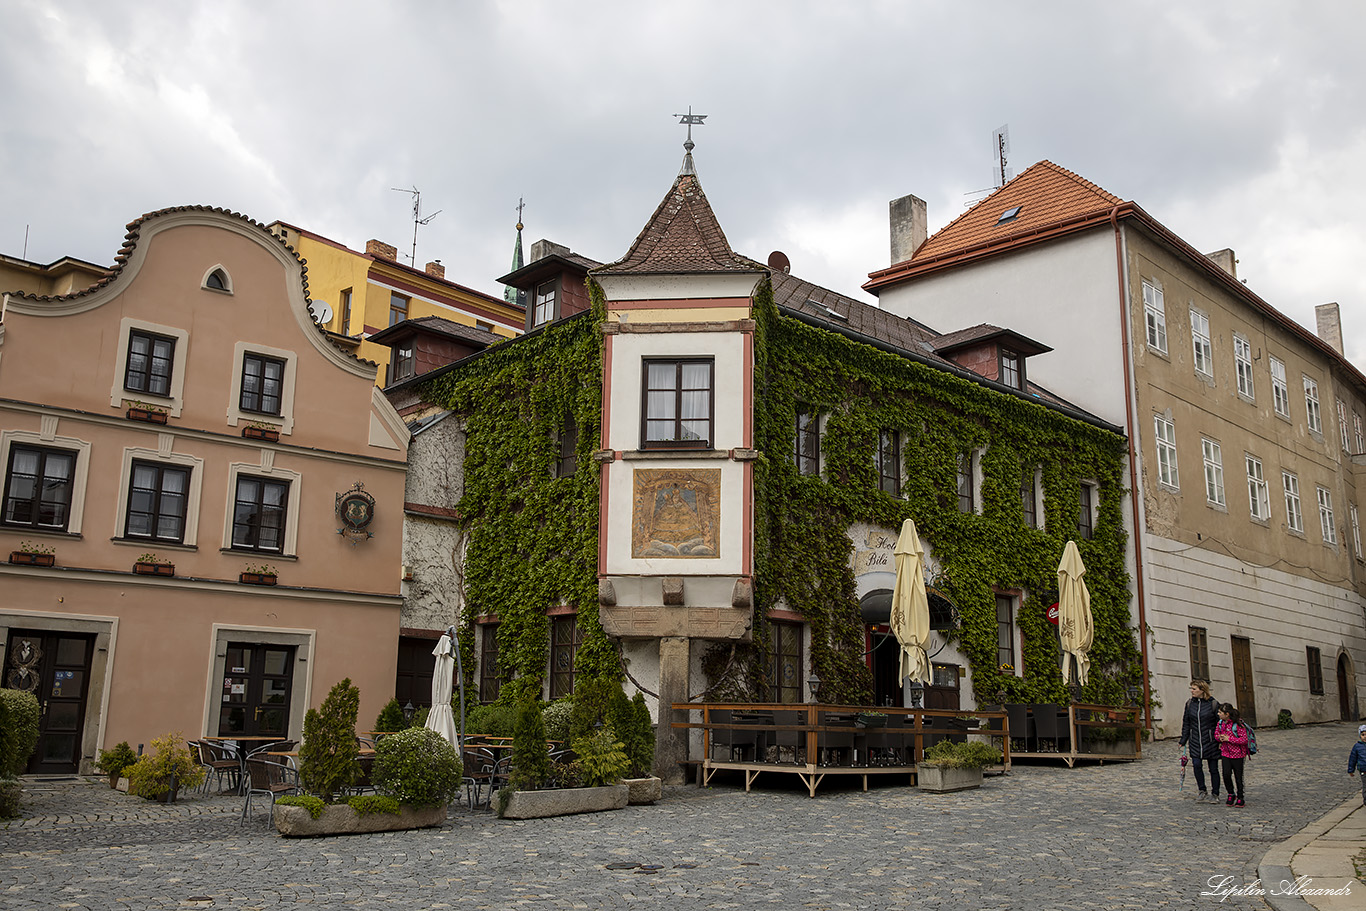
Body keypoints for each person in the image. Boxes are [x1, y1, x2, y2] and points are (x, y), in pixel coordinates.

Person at [1178, 680, 1221, 801]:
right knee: (1196, 765)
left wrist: (1219, 738)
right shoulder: (1190, 704)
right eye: (1191, 688)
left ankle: (1215, 793)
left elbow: (1219, 722)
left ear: (1202, 690)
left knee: (1213, 768)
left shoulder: (1213, 703)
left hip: (1211, 740)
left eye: (1194, 689)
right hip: (1195, 739)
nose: (1191, 691)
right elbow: (1186, 722)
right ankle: (1202, 790)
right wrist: (1183, 739)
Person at [1214, 703, 1250, 807]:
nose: (1218, 714)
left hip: (1238, 755)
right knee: (1226, 775)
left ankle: (1240, 796)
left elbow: (1244, 740)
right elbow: (1216, 734)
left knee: (1238, 777)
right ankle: (1231, 793)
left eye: (1220, 712)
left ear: (1227, 714)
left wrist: (1230, 739)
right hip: (1225, 753)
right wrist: (1219, 737)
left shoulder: (1238, 724)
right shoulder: (1221, 723)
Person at [1348, 724, 1366, 806]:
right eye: (1363, 735)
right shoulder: (1357, 747)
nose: (1365, 736)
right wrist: (1351, 770)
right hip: (1363, 770)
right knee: (1365, 786)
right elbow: (1353, 759)